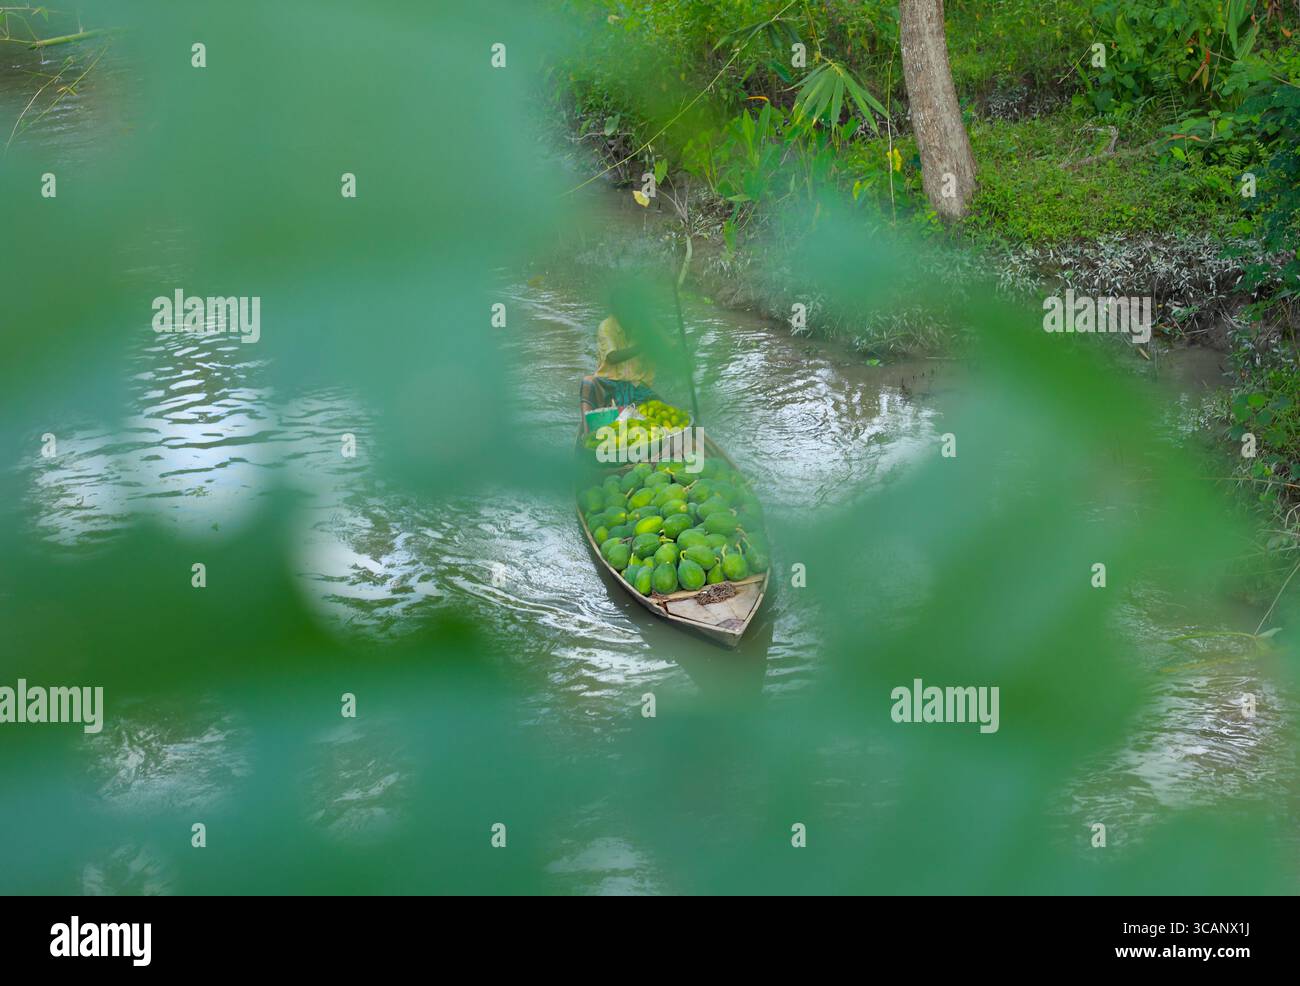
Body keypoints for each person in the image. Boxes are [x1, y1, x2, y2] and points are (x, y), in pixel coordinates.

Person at [581, 315, 657, 414]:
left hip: (638, 387)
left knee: (664, 410)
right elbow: (612, 357)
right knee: (588, 382)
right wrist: (641, 347)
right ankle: (586, 426)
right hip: (609, 383)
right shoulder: (607, 326)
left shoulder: (646, 327)